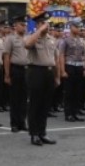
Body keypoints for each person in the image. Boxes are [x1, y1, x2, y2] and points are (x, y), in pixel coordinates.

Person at [24, 12, 59, 146]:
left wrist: (56, 76)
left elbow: (55, 59)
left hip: (49, 73)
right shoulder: (33, 37)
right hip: (36, 71)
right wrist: (39, 31)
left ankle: (42, 132)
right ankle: (34, 134)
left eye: (48, 23)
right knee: (35, 104)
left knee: (45, 105)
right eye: (44, 23)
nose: (47, 26)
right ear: (38, 24)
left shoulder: (51, 39)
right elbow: (27, 45)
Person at [4, 16, 29, 132]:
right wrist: (7, 74)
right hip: (15, 69)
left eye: (25, 25)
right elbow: (7, 56)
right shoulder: (10, 38)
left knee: (24, 98)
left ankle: (22, 122)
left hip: (26, 70)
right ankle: (14, 123)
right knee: (14, 98)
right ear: (16, 25)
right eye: (22, 25)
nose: (25, 27)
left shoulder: (28, 38)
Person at [58, 20, 85, 123]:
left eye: (79, 27)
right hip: (69, 66)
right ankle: (69, 114)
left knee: (77, 92)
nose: (79, 29)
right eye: (77, 27)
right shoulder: (65, 40)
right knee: (69, 92)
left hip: (79, 67)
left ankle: (75, 113)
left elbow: (84, 56)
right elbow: (61, 55)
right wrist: (62, 70)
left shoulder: (82, 41)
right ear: (71, 27)